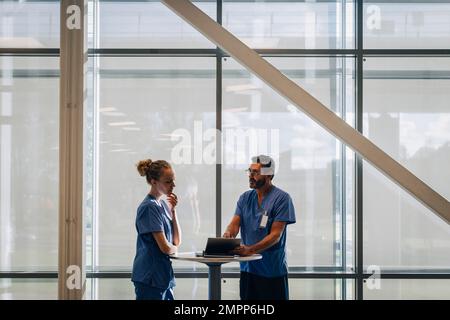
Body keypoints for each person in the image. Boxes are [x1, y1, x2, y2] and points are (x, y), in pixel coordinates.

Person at [223, 155, 296, 300]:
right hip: (248, 270)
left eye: (255, 172)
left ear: (269, 175)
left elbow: (276, 236)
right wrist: (228, 234)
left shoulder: (282, 199)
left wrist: (250, 250)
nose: (250, 175)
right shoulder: (245, 198)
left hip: (272, 272)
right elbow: (234, 223)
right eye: (249, 171)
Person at [131, 159, 181, 300]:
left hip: (163, 277)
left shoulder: (163, 206)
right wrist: (174, 249)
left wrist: (173, 211)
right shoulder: (149, 207)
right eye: (168, 181)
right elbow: (166, 248)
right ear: (153, 182)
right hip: (150, 278)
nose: (173, 185)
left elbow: (176, 241)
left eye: (173, 180)